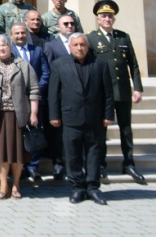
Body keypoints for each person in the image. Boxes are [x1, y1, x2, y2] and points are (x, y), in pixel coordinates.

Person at [49, 33, 115, 205]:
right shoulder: (58, 65)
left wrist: (108, 115)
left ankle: (93, 187)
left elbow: (108, 93)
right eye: (76, 45)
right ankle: (78, 187)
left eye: (82, 45)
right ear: (70, 47)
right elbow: (53, 93)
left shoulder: (100, 64)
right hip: (70, 118)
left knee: (94, 154)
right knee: (72, 155)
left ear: (88, 46)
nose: (79, 48)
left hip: (94, 119)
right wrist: (54, 115)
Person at [87, 0, 147, 185]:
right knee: (101, 130)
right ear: (98, 19)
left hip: (122, 91)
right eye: (104, 16)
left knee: (126, 129)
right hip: (102, 92)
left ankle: (129, 163)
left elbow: (134, 65)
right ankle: (101, 164)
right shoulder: (91, 39)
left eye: (110, 16)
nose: (107, 19)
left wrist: (137, 88)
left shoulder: (123, 37)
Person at [0, 33, 40, 200]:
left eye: (4, 45)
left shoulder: (23, 65)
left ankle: (16, 185)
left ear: (10, 47)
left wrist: (33, 113)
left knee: (18, 153)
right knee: (1, 153)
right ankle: (3, 186)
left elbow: (34, 89)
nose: (1, 48)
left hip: (18, 115)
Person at [10, 22, 50, 183]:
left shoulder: (37, 51)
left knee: (34, 130)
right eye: (17, 33)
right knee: (16, 133)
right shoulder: (7, 51)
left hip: (34, 99)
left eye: (22, 33)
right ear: (11, 36)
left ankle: (33, 166)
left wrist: (35, 89)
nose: (20, 36)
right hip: (14, 100)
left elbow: (45, 72)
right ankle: (19, 165)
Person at [43, 13, 77, 180]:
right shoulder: (51, 46)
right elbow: (48, 73)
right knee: (58, 136)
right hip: (59, 97)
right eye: (66, 24)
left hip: (76, 98)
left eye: (72, 23)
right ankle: (58, 165)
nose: (69, 26)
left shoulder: (79, 44)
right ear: (58, 27)